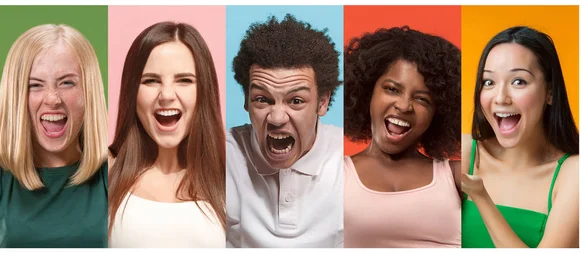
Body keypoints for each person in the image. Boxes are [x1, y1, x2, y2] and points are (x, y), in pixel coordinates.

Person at [226, 14, 343, 247]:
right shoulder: (221, 153)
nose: (277, 118)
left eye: (296, 101)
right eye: (262, 99)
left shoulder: (347, 160)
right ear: (247, 102)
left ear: (322, 102)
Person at [107, 22, 225, 248]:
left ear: (204, 92)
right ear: (133, 91)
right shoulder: (104, 173)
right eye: (151, 80)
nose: (167, 95)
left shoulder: (231, 177)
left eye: (184, 80)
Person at [0, 24, 108, 248]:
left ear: (88, 92)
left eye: (67, 83)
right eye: (35, 85)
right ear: (16, 97)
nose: (53, 99)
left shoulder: (115, 176)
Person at [343, 26, 462, 247]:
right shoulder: (332, 175)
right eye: (392, 89)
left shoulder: (454, 177)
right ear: (368, 92)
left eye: (422, 99)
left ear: (438, 113)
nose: (404, 105)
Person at [461, 26, 579, 248]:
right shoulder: (466, 151)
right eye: (489, 82)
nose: (501, 97)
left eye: (518, 82)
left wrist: (481, 198)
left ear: (550, 93)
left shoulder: (573, 174)